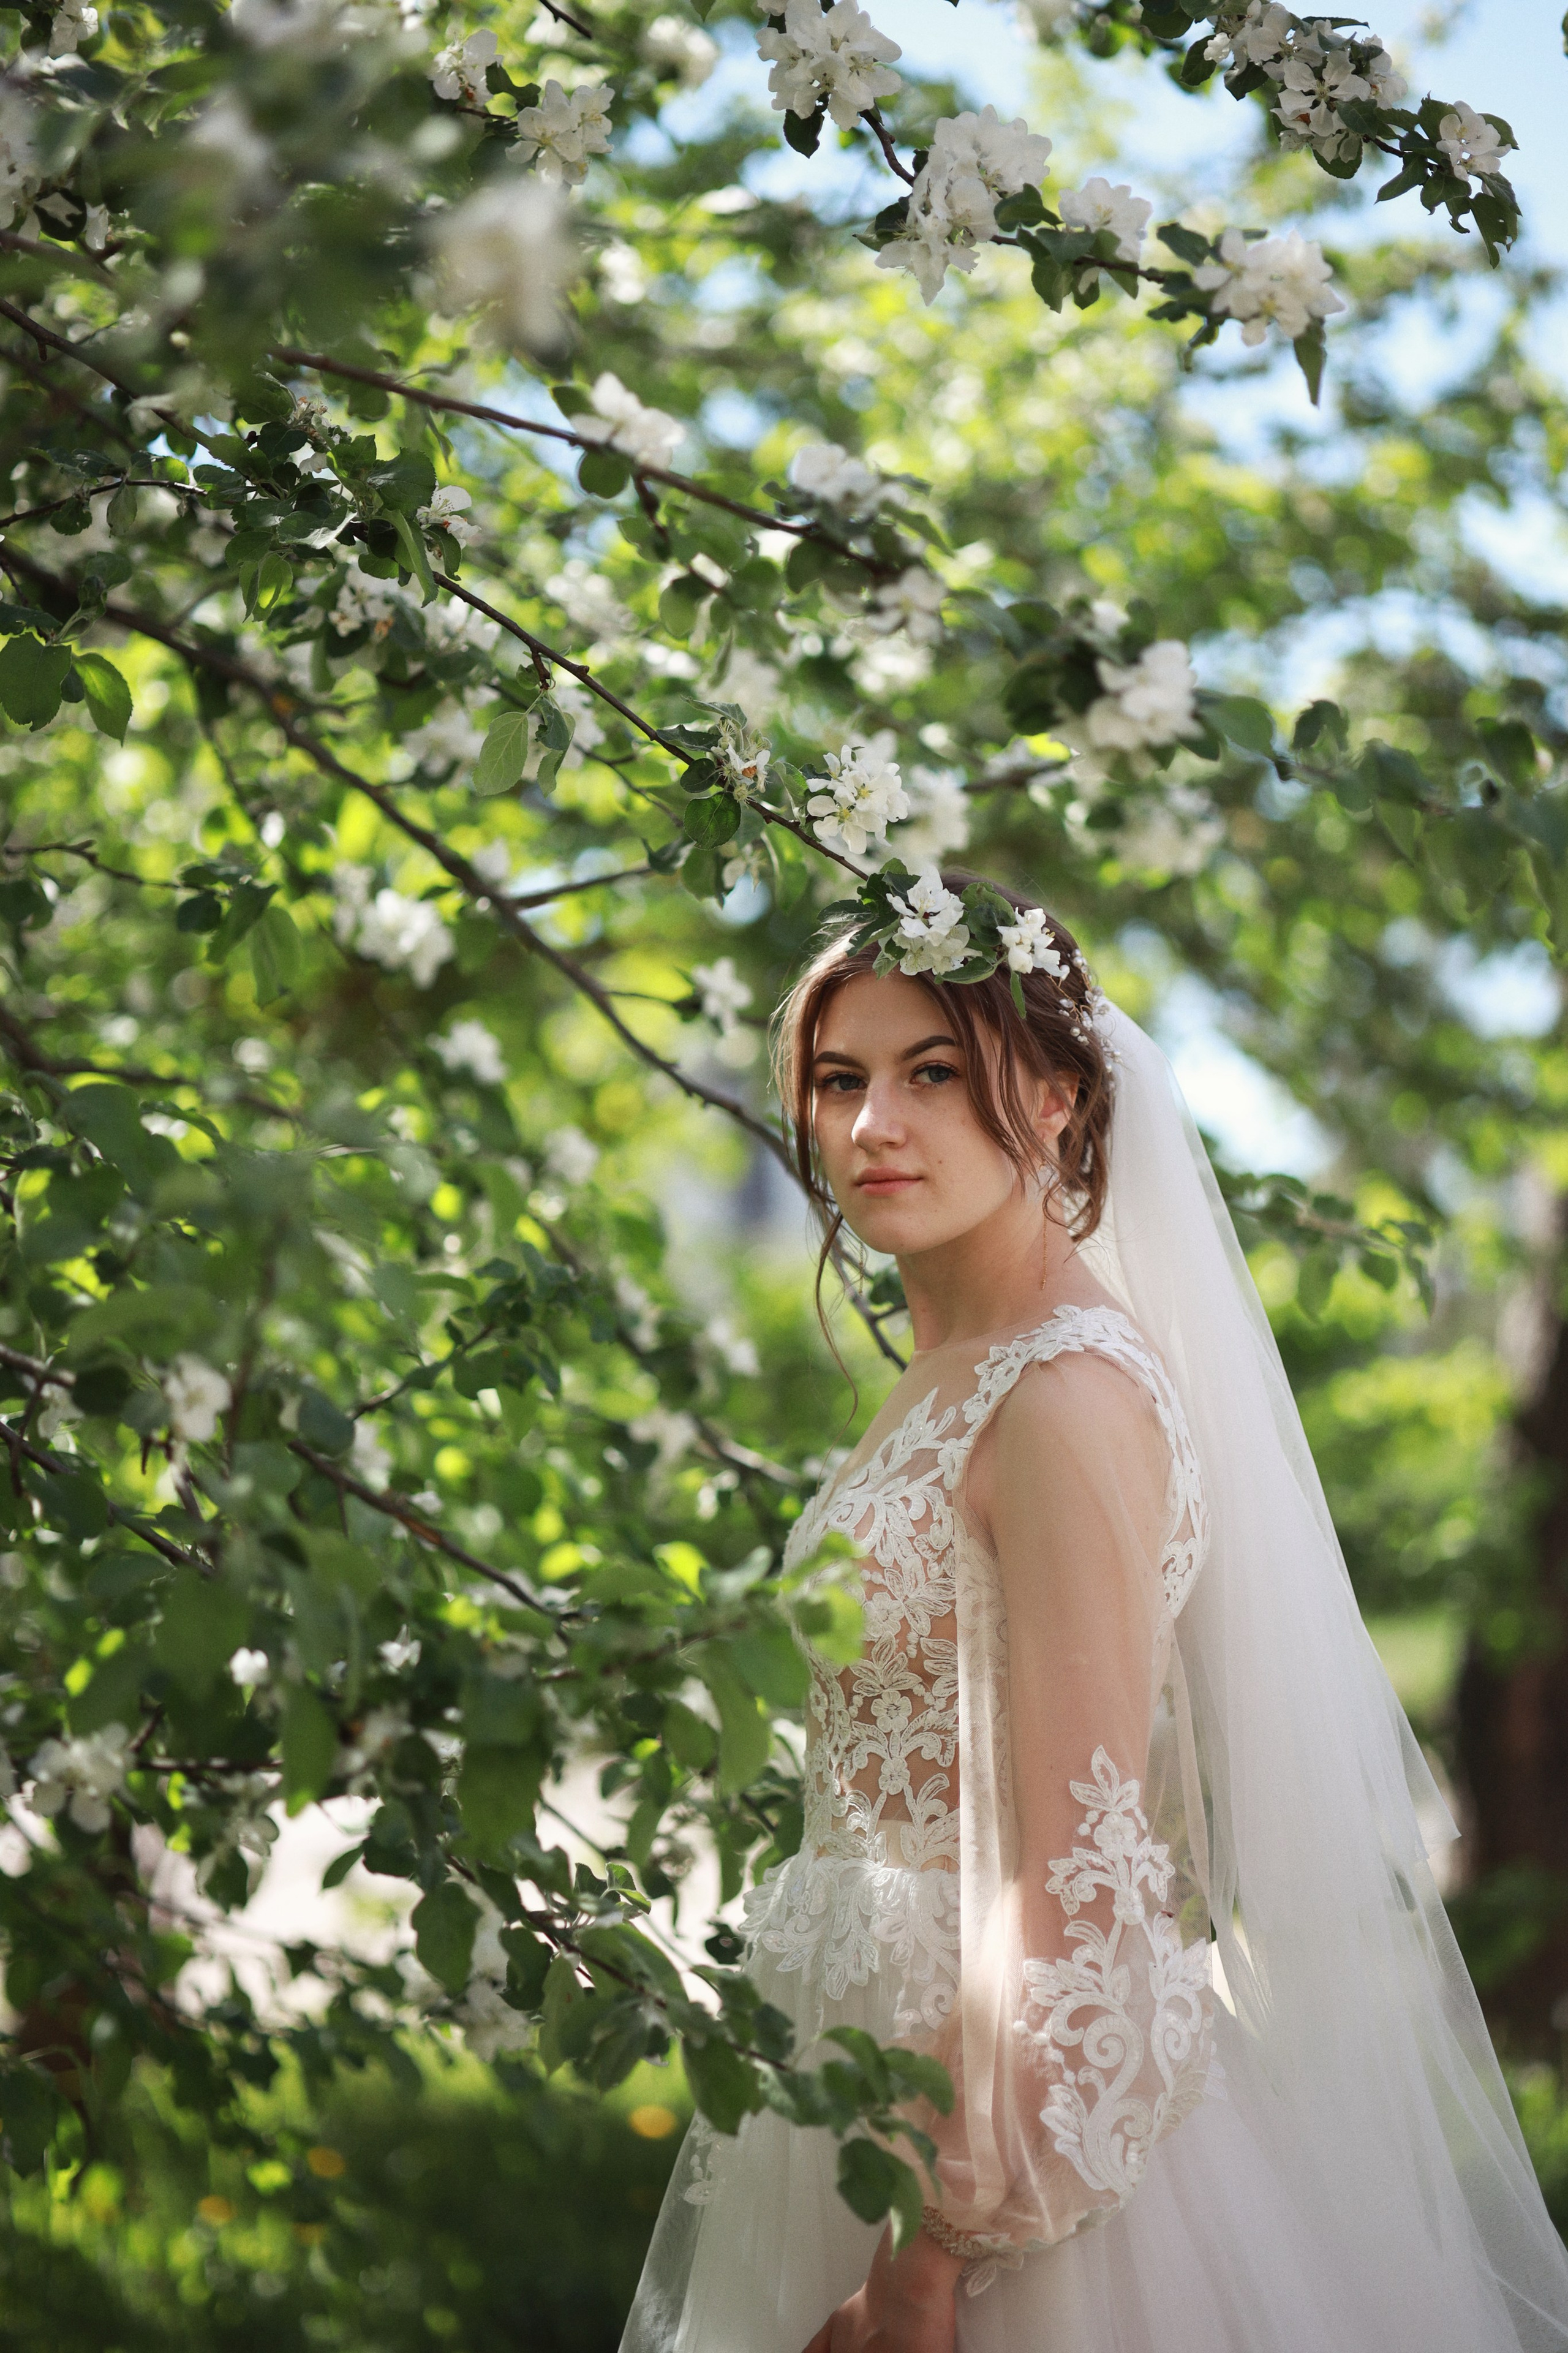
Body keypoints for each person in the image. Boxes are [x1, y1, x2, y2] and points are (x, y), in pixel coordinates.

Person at [621, 875, 1568, 2353]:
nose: (872, 1124)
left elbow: (1082, 1868)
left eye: (935, 1073)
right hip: (853, 2073)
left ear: (1058, 1096)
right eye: (840, 1080)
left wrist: (924, 2256)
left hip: (987, 2150)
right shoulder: (954, 1363)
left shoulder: (1060, 1394)